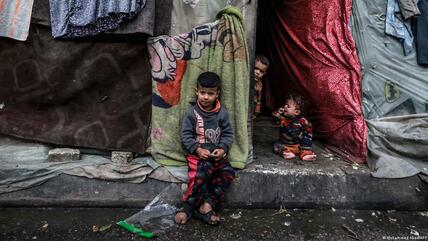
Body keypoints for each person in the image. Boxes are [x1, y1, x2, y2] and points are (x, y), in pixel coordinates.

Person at [175, 71, 235, 225]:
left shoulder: (222, 113)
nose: (206, 97)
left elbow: (228, 134)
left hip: (217, 156)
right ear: (197, 92)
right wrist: (197, 149)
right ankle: (188, 207)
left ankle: (207, 205)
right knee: (201, 174)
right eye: (202, 93)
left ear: (217, 94)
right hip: (198, 156)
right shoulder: (192, 113)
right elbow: (186, 135)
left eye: (210, 93)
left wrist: (222, 149)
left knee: (228, 172)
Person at [272, 94, 317, 161]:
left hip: (298, 145)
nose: (285, 106)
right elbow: (274, 121)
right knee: (276, 146)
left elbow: (308, 131)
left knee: (305, 147)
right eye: (285, 104)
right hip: (284, 145)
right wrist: (278, 113)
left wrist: (305, 145)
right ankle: (287, 153)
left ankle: (306, 154)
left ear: (296, 112)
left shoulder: (302, 121)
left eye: (288, 106)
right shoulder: (282, 118)